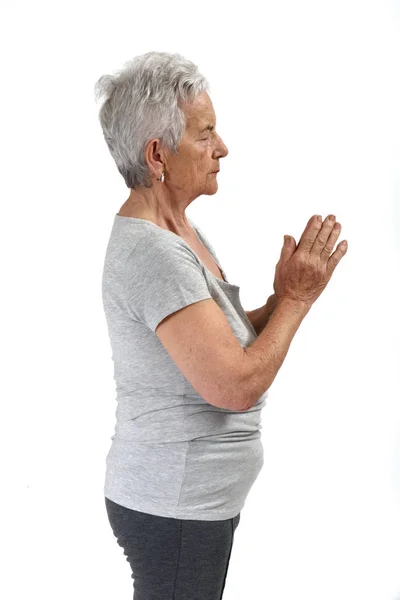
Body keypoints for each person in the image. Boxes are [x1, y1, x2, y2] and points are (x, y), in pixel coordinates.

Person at [95, 51, 348, 600]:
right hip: (174, 506)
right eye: (205, 133)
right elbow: (232, 385)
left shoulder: (178, 230)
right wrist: (298, 301)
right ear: (158, 153)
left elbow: (215, 344)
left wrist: (279, 300)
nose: (223, 147)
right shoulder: (154, 253)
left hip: (186, 504)